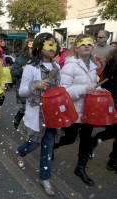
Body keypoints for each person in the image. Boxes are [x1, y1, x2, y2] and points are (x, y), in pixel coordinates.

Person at [16, 33, 60, 196]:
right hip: (37, 114)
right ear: (39, 47)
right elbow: (22, 91)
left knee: (48, 147)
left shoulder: (57, 67)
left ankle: (45, 178)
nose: (52, 47)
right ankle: (20, 152)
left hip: (52, 114)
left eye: (54, 44)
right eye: (49, 44)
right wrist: (37, 85)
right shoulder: (30, 68)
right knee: (34, 144)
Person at [56, 34, 98, 186]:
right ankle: (54, 145)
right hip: (73, 110)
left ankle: (80, 168)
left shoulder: (93, 65)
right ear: (76, 47)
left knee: (86, 139)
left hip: (89, 109)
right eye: (83, 44)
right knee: (70, 138)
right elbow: (64, 90)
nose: (86, 46)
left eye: (89, 43)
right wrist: (84, 89)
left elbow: (93, 85)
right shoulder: (70, 65)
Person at [90, 48, 117, 172]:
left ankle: (113, 161)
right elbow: (107, 84)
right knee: (112, 131)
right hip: (114, 101)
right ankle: (93, 141)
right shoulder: (114, 61)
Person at [11, 38, 33, 129]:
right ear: (27, 48)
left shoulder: (37, 59)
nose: (33, 50)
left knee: (33, 107)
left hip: (34, 87)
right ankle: (18, 117)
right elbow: (13, 72)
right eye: (31, 48)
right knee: (26, 107)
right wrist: (21, 69)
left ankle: (30, 125)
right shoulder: (20, 59)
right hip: (23, 86)